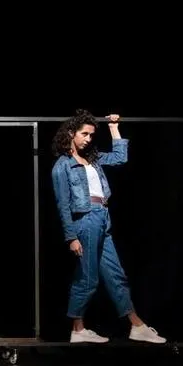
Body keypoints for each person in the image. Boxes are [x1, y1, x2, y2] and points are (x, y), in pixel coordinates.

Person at [50, 109, 166, 344]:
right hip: (85, 221)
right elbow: (63, 205)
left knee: (116, 275)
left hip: (102, 216)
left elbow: (120, 158)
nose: (88, 139)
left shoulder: (93, 158)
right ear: (71, 133)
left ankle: (137, 326)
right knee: (88, 278)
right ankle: (78, 329)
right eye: (84, 134)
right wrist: (71, 236)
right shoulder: (62, 166)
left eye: (91, 135)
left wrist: (114, 128)